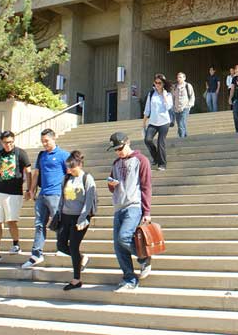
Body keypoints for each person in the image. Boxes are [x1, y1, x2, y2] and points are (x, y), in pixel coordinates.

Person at [107, 132, 152, 290]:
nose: (119, 151)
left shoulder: (141, 160)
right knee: (118, 246)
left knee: (124, 237)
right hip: (118, 207)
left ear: (128, 142)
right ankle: (129, 279)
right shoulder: (115, 163)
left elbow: (146, 187)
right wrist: (111, 185)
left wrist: (146, 212)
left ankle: (144, 258)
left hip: (134, 205)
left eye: (121, 147)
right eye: (116, 149)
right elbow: (112, 185)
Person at [0, 131, 31, 268]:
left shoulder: (21, 153)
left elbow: (28, 171)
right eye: (5, 142)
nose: (8, 145)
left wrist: (29, 189)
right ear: (2, 142)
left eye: (10, 142)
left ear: (14, 141)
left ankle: (16, 244)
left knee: (11, 221)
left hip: (14, 193)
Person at [22, 129, 70, 269]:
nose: (44, 144)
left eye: (46, 141)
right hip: (43, 194)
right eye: (42, 141)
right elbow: (36, 173)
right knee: (39, 223)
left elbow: (69, 174)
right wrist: (31, 189)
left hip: (56, 194)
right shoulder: (41, 155)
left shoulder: (63, 155)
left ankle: (61, 247)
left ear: (54, 139)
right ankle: (36, 254)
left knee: (57, 222)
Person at [56, 150, 97, 291]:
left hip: (80, 217)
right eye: (68, 167)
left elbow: (89, 201)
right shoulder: (66, 178)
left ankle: (76, 279)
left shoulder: (87, 178)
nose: (70, 170)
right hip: (65, 216)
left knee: (73, 245)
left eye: (72, 167)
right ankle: (81, 258)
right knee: (61, 245)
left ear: (79, 165)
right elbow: (62, 198)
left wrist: (82, 219)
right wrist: (58, 213)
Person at [143, 73, 174, 171]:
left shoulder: (168, 94)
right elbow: (147, 107)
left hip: (164, 122)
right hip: (153, 122)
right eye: (155, 83)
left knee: (161, 143)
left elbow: (168, 107)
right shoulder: (151, 93)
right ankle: (156, 158)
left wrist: (164, 96)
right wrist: (144, 121)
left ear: (163, 84)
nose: (157, 85)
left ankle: (162, 164)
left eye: (159, 83)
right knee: (147, 140)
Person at [172, 72, 195, 138]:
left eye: (180, 77)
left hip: (185, 108)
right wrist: (173, 107)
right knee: (180, 124)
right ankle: (185, 137)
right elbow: (172, 98)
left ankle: (181, 139)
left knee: (181, 123)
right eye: (178, 77)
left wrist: (189, 105)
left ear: (184, 78)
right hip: (176, 109)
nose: (178, 79)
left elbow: (192, 96)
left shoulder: (188, 85)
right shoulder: (175, 87)